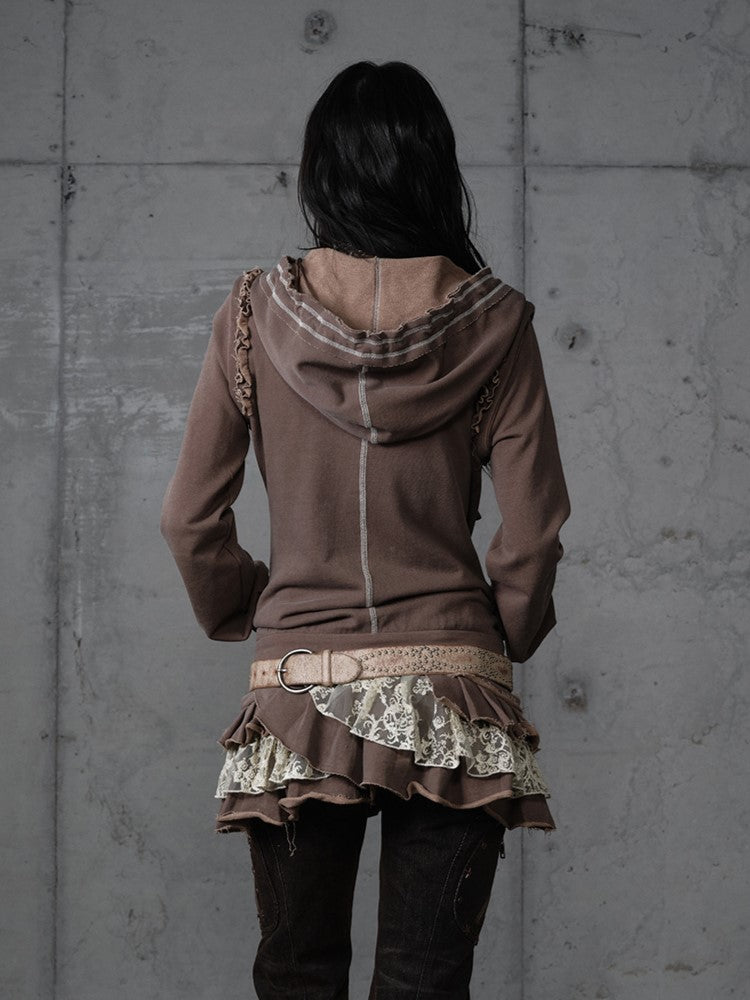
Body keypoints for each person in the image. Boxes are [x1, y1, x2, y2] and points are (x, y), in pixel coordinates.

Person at [160, 59, 570, 1000]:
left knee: (297, 975)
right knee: (426, 980)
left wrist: (253, 608)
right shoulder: (497, 322)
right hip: (454, 685)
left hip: (298, 687)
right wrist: (506, 630)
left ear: (322, 172)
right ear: (434, 168)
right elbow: (533, 530)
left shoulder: (251, 314)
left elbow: (188, 517)